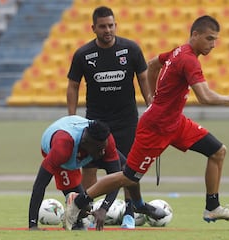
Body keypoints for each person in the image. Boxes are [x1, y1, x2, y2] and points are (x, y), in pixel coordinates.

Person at [63, 15, 229, 230]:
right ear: (195, 35)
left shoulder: (178, 52)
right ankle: (77, 202)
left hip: (175, 123)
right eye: (209, 39)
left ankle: (212, 206)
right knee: (127, 177)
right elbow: (205, 97)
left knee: (218, 151)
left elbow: (152, 65)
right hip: (156, 128)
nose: (213, 45)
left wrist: (154, 98)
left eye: (215, 40)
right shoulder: (188, 60)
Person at [66, 6, 153, 229]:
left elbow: (144, 79)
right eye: (103, 26)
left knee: (129, 170)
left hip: (126, 120)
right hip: (96, 122)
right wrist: (71, 118)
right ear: (93, 28)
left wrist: (151, 108)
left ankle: (129, 214)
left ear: (116, 25)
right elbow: (73, 86)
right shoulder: (83, 54)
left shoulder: (131, 49)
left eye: (111, 25)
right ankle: (85, 212)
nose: (108, 30)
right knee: (90, 169)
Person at [28, 115, 121, 230]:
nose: (103, 153)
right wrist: (33, 225)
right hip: (57, 149)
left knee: (125, 169)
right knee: (81, 207)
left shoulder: (106, 141)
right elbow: (40, 185)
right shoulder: (62, 148)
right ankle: (73, 206)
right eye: (99, 149)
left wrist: (104, 209)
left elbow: (116, 179)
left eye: (104, 148)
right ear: (86, 143)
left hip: (78, 145)